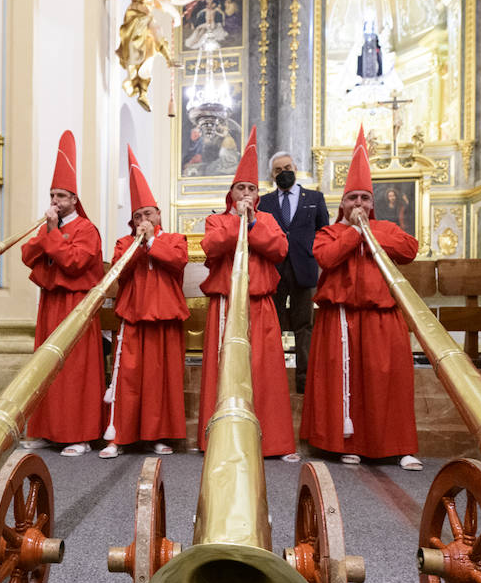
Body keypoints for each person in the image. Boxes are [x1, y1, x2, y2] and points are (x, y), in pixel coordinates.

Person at [300, 127, 421, 469]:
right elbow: (326, 258)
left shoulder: (386, 230)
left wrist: (371, 233)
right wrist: (355, 232)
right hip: (339, 318)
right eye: (352, 198)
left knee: (389, 381)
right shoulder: (331, 231)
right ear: (342, 202)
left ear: (373, 202)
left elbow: (409, 250)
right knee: (343, 383)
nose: (358, 204)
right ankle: (342, 443)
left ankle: (396, 445)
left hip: (382, 318)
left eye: (364, 199)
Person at [198, 126, 298, 461]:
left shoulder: (266, 219)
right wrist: (237, 224)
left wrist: (253, 225)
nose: (245, 193)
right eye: (240, 187)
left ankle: (273, 441)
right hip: (226, 306)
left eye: (251, 189)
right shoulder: (217, 221)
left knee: (265, 373)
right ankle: (219, 438)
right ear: (231, 193)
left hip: (259, 305)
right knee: (222, 370)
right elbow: (211, 248)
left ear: (258, 195)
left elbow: (280, 249)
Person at [20, 130, 105, 456]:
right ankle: (45, 429)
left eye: (61, 196)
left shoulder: (86, 228)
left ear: (73, 199)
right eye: (52, 195)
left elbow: (73, 262)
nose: (54, 201)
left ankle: (78, 434)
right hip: (51, 303)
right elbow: (28, 255)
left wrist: (52, 236)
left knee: (74, 370)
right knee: (46, 366)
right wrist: (49, 236)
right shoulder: (48, 227)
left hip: (76, 305)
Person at [100, 148, 189, 459]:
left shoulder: (175, 239)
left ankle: (158, 437)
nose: (143, 220)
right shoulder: (125, 243)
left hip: (165, 318)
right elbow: (119, 269)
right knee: (128, 377)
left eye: (148, 214)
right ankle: (119, 437)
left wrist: (151, 241)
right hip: (133, 317)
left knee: (161, 380)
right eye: (138, 216)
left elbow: (178, 262)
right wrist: (140, 243)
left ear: (159, 215)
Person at [259, 149, 328, 394]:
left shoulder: (315, 198)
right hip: (274, 271)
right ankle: (273, 381)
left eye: (287, 168)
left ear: (295, 168)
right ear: (272, 174)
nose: (284, 173)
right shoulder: (264, 202)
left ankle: (304, 383)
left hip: (304, 269)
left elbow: (324, 232)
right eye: (278, 170)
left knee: (304, 326)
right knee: (272, 326)